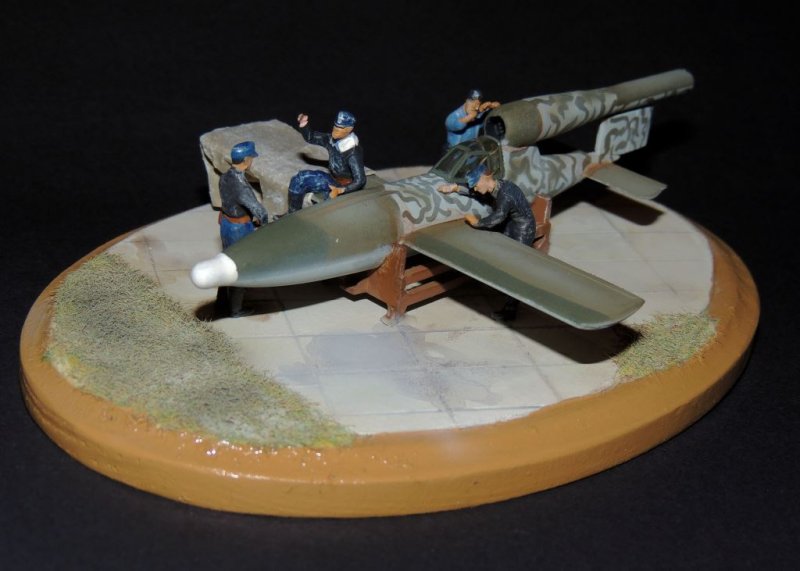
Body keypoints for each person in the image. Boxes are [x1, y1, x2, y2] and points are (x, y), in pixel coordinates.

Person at [438, 163, 536, 321]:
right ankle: (502, 285)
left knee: (515, 268)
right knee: (501, 253)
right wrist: (454, 187)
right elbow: (475, 192)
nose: (475, 188)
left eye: (476, 185)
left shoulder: (506, 194)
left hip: (524, 228)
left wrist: (477, 222)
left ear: (486, 179)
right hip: (512, 223)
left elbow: (498, 217)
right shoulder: (494, 187)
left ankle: (510, 309)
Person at [216, 141, 268, 317]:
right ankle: (236, 309)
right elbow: (259, 210)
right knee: (240, 268)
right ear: (246, 160)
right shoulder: (241, 186)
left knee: (226, 262)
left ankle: (223, 300)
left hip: (226, 223)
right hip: (239, 228)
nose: (252, 161)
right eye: (251, 158)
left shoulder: (225, 177)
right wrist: (265, 224)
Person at [287, 110, 366, 213]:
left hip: (346, 188)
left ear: (349, 129)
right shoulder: (331, 140)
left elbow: (360, 180)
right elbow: (311, 137)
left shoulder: (352, 152)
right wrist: (304, 126)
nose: (335, 129)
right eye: (335, 126)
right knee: (299, 179)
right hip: (332, 179)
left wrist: (341, 190)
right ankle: (292, 213)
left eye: (340, 127)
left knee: (327, 208)